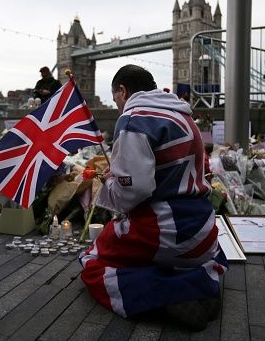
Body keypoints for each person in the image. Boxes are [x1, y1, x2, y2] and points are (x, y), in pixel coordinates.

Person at [79, 65, 228, 330]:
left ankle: (169, 296)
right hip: (203, 232)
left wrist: (110, 182)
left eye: (116, 100)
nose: (117, 108)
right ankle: (201, 285)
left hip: (163, 230)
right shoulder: (184, 116)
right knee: (193, 259)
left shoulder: (134, 118)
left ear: (123, 91)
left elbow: (134, 191)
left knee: (92, 261)